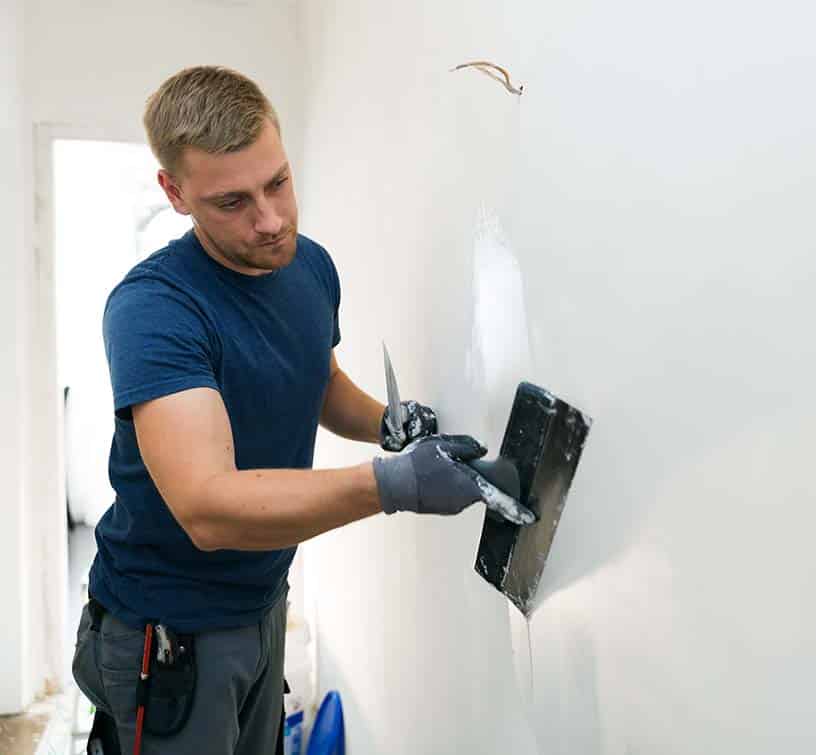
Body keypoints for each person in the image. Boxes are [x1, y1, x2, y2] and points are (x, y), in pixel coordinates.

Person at [71, 65, 534, 754]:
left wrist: (383, 421)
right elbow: (209, 507)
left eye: (278, 182)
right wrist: (393, 484)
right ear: (174, 193)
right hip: (169, 630)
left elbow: (317, 382)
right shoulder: (155, 310)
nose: (271, 220)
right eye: (232, 202)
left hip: (262, 602)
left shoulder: (309, 266)